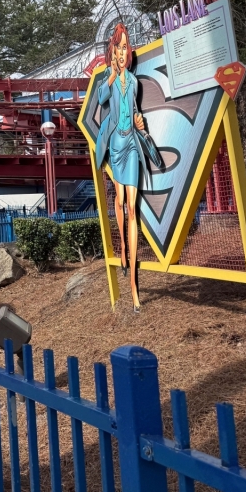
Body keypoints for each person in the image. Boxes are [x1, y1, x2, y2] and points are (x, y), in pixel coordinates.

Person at [94, 23, 154, 312]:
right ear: (112, 51)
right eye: (118, 48)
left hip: (131, 145)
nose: (121, 52)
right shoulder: (109, 76)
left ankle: (133, 284)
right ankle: (121, 249)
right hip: (114, 145)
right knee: (118, 201)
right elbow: (100, 99)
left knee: (132, 207)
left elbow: (135, 109)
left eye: (125, 48)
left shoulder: (135, 81)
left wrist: (140, 122)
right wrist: (112, 76)